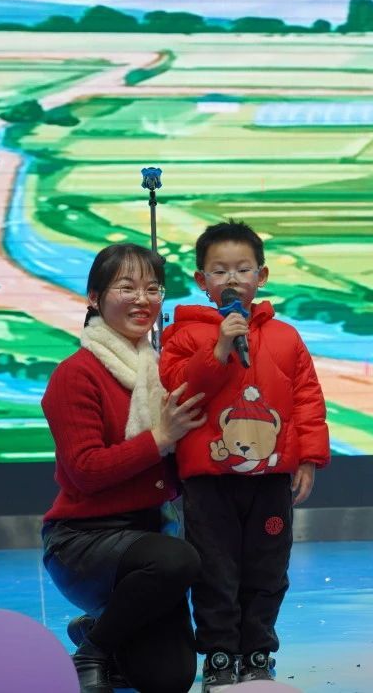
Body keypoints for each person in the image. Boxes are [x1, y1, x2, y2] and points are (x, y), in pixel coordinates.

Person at [160, 220, 330, 692]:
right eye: (219, 271)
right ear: (202, 280)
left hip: (270, 479)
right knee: (214, 569)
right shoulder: (184, 335)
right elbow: (178, 387)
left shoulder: (286, 337)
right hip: (208, 480)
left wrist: (309, 457)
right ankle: (219, 654)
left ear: (262, 275)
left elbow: (307, 399)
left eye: (242, 269)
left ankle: (258, 651)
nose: (232, 279)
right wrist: (218, 348)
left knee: (268, 567)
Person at [40, 243, 208, 693]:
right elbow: (86, 471)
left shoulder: (161, 372)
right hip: (84, 540)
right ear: (94, 298)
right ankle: (93, 651)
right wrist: (160, 438)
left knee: (170, 679)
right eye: (127, 288)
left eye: (153, 289)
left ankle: (100, 629)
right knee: (177, 559)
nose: (142, 299)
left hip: (151, 536)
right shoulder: (76, 374)